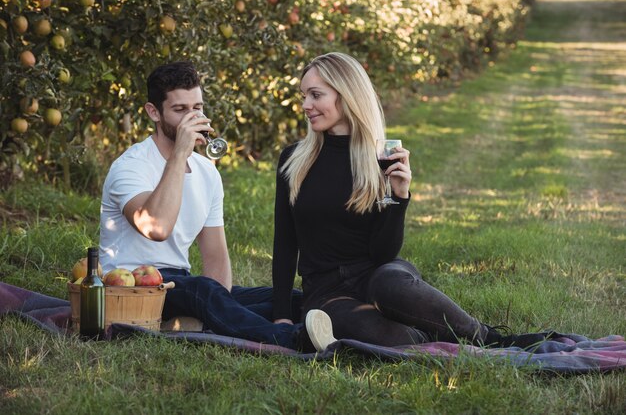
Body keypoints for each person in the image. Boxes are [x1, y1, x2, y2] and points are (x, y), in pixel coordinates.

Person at [271, 52, 550, 349]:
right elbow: (286, 244)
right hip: (327, 293)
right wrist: (282, 316)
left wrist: (399, 196)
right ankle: (424, 337)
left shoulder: (379, 160)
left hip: (379, 275)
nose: (305, 106)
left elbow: (382, 254)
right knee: (389, 337)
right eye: (304, 95)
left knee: (391, 286)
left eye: (315, 95)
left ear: (347, 94)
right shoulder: (294, 161)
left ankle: (492, 339)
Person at [99, 60, 335, 352]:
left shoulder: (206, 172)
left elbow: (215, 258)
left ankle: (208, 320)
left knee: (289, 300)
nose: (192, 117)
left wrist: (219, 304)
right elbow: (156, 227)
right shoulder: (130, 166)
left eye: (197, 108)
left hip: (181, 285)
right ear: (153, 113)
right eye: (180, 110)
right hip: (132, 288)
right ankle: (295, 340)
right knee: (203, 292)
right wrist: (179, 154)